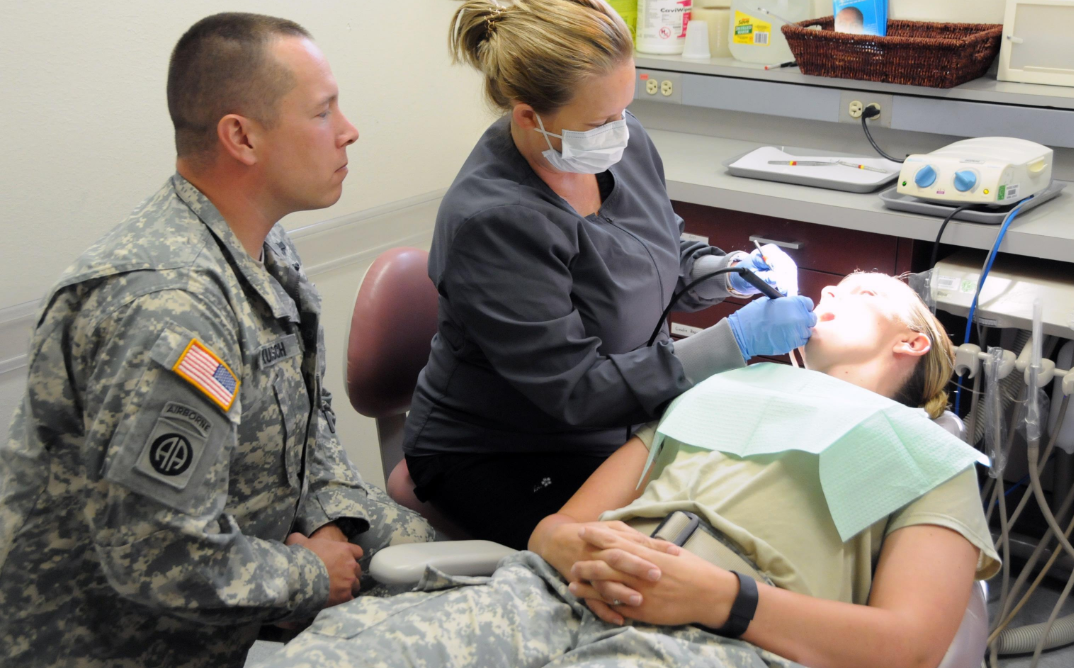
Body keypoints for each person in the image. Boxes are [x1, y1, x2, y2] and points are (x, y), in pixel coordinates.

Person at [259, 273, 1000, 668]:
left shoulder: (927, 454)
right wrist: (575, 550)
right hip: (559, 594)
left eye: (863, 293)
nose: (831, 293)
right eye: (832, 289)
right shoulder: (724, 391)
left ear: (911, 342)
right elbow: (557, 529)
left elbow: (909, 646)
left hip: (725, 638)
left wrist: (719, 598)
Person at [0, 13, 434, 668]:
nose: (349, 130)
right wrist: (309, 576)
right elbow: (160, 556)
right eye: (322, 113)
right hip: (121, 645)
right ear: (242, 137)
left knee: (467, 575)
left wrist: (334, 524)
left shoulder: (257, 240)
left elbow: (310, 430)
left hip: (248, 578)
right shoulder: (170, 310)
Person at [401, 0, 816, 549]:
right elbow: (578, 392)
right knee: (645, 565)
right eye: (601, 121)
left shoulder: (622, 142)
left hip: (621, 426)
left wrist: (728, 272)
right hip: (503, 449)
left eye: (626, 108)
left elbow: (659, 250)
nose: (620, 130)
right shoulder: (493, 222)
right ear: (527, 116)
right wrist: (731, 343)